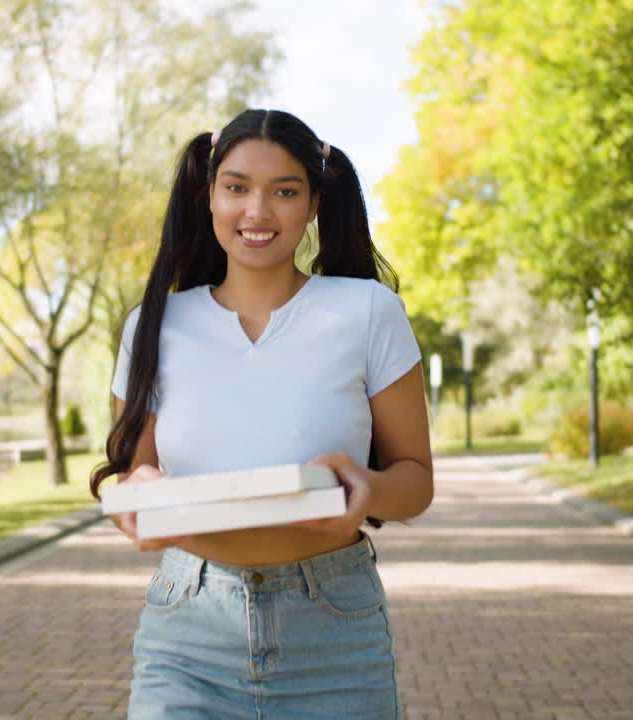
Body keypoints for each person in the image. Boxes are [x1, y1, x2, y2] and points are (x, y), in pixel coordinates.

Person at [90, 108, 433, 719]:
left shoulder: (369, 312)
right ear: (209, 196)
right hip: (186, 632)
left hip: (333, 628)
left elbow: (415, 482)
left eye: (284, 191)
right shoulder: (153, 326)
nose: (257, 212)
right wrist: (138, 496)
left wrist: (369, 487)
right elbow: (131, 482)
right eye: (237, 187)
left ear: (314, 205)